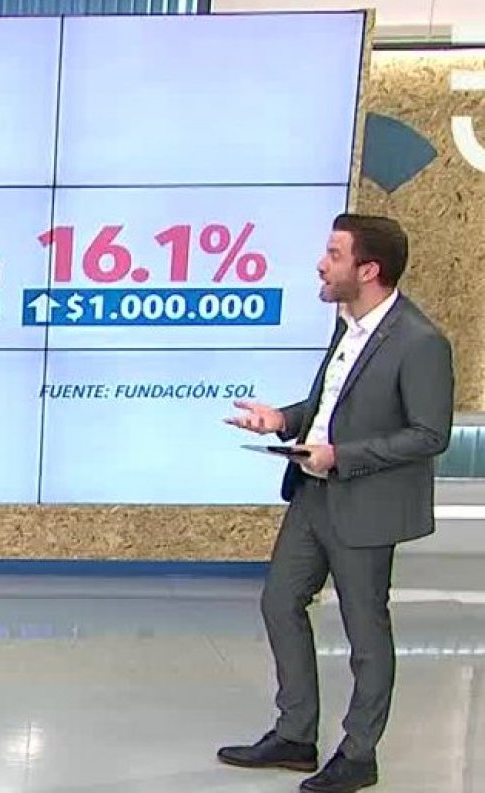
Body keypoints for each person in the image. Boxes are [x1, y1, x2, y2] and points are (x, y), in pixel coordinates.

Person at [219, 214, 454, 793]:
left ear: (367, 270)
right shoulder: (346, 328)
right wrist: (281, 420)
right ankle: (295, 734)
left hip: (366, 504)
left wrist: (340, 456)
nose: (321, 265)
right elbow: (330, 406)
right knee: (280, 602)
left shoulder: (420, 342)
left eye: (333, 254)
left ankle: (358, 753)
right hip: (312, 495)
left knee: (365, 631)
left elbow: (430, 434)